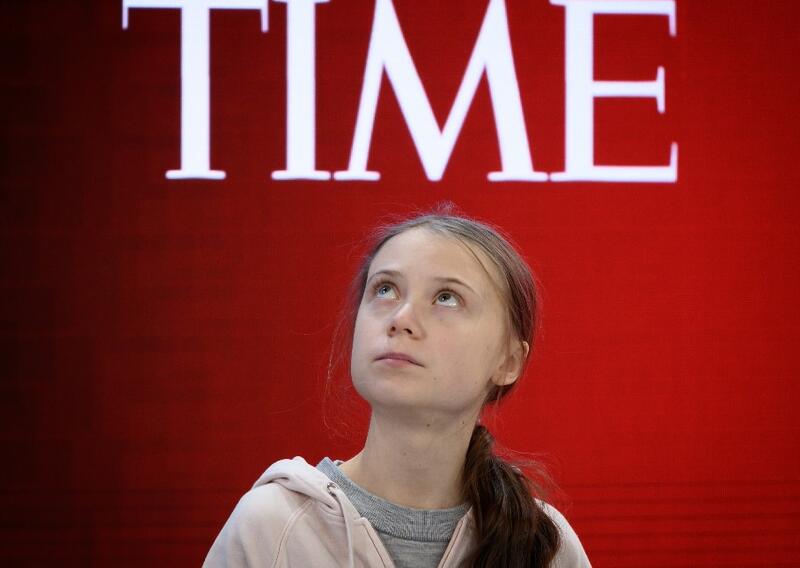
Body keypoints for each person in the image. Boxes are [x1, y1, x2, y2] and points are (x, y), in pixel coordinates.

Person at [204, 206, 592, 567]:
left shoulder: (545, 545)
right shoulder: (270, 527)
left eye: (446, 297)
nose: (401, 319)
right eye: (385, 289)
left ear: (508, 361)